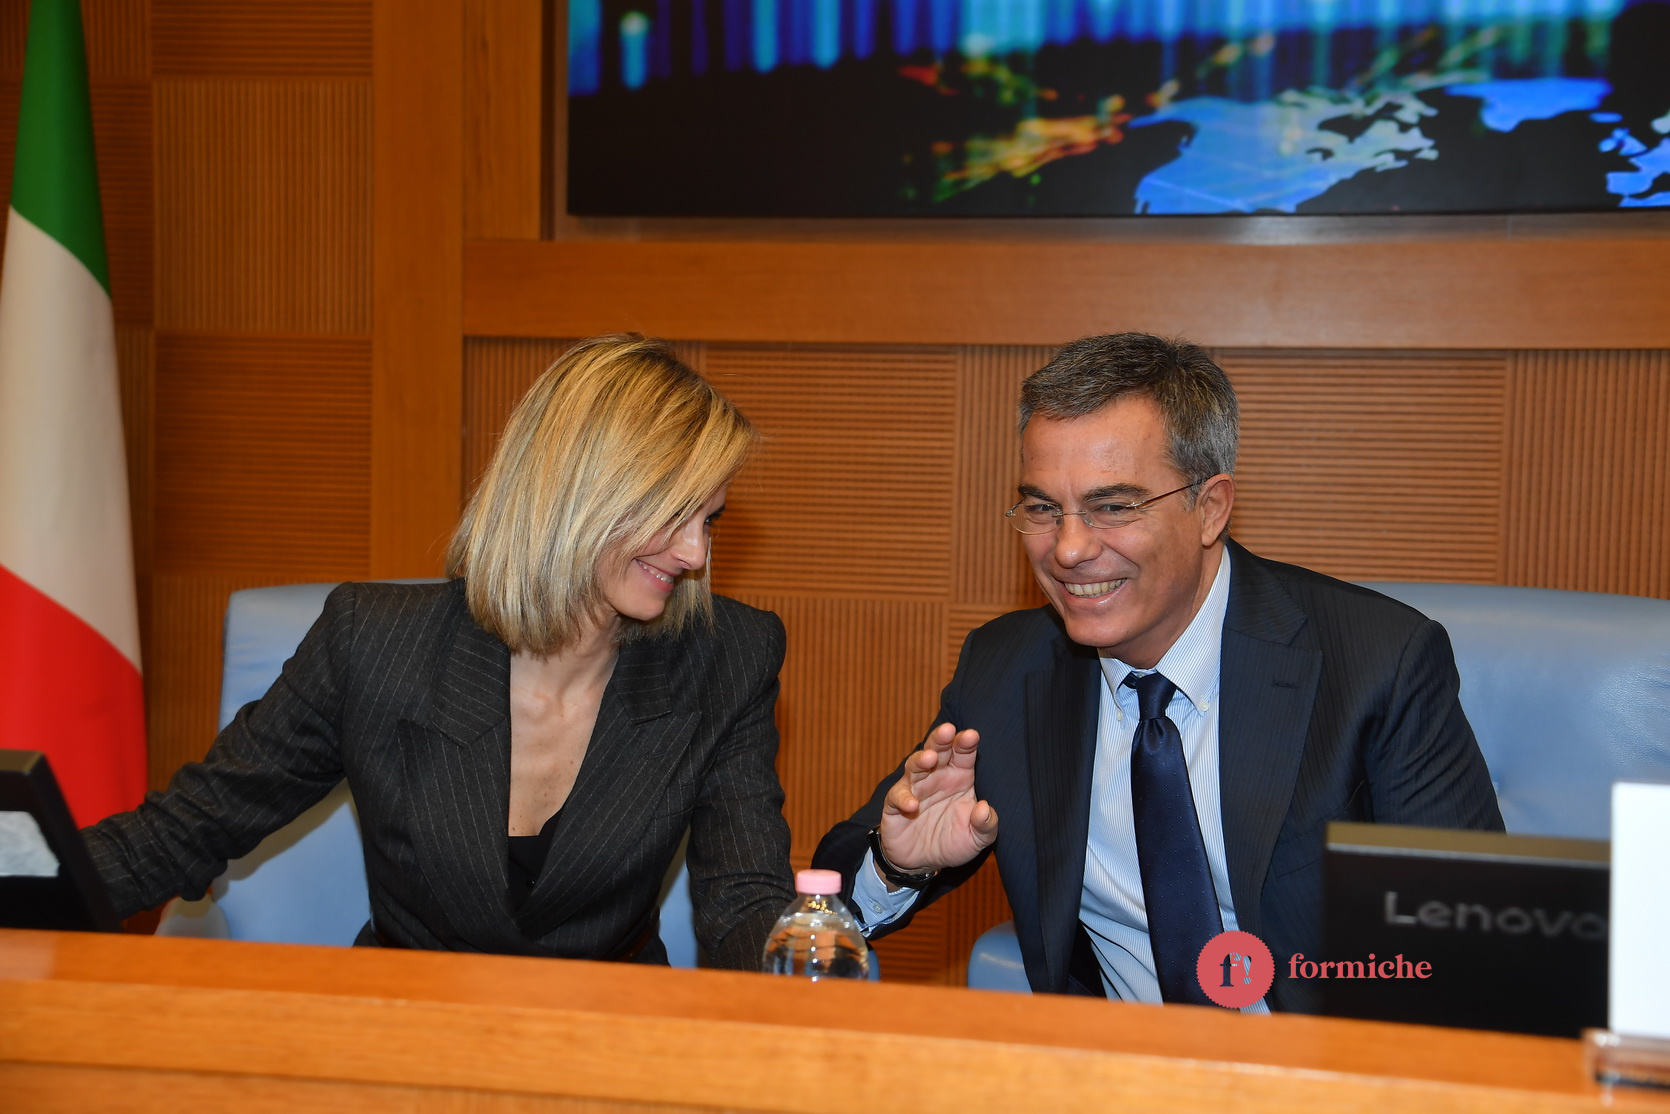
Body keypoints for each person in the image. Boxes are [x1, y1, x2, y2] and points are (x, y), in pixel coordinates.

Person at [813, 333, 1503, 1011]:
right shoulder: (1009, 669)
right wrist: (898, 864)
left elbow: (1474, 943)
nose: (1069, 549)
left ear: (1210, 509)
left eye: (1113, 507)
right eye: (1044, 509)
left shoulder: (1376, 662)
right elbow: (828, 900)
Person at [84, 335, 795, 968]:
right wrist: (35, 877)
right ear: (579, 497)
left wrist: (808, 972)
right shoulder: (372, 643)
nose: (695, 553)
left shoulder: (729, 658)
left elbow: (743, 900)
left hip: (606, 1026)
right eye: (674, 514)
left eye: (709, 520)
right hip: (412, 1017)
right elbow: (192, 827)